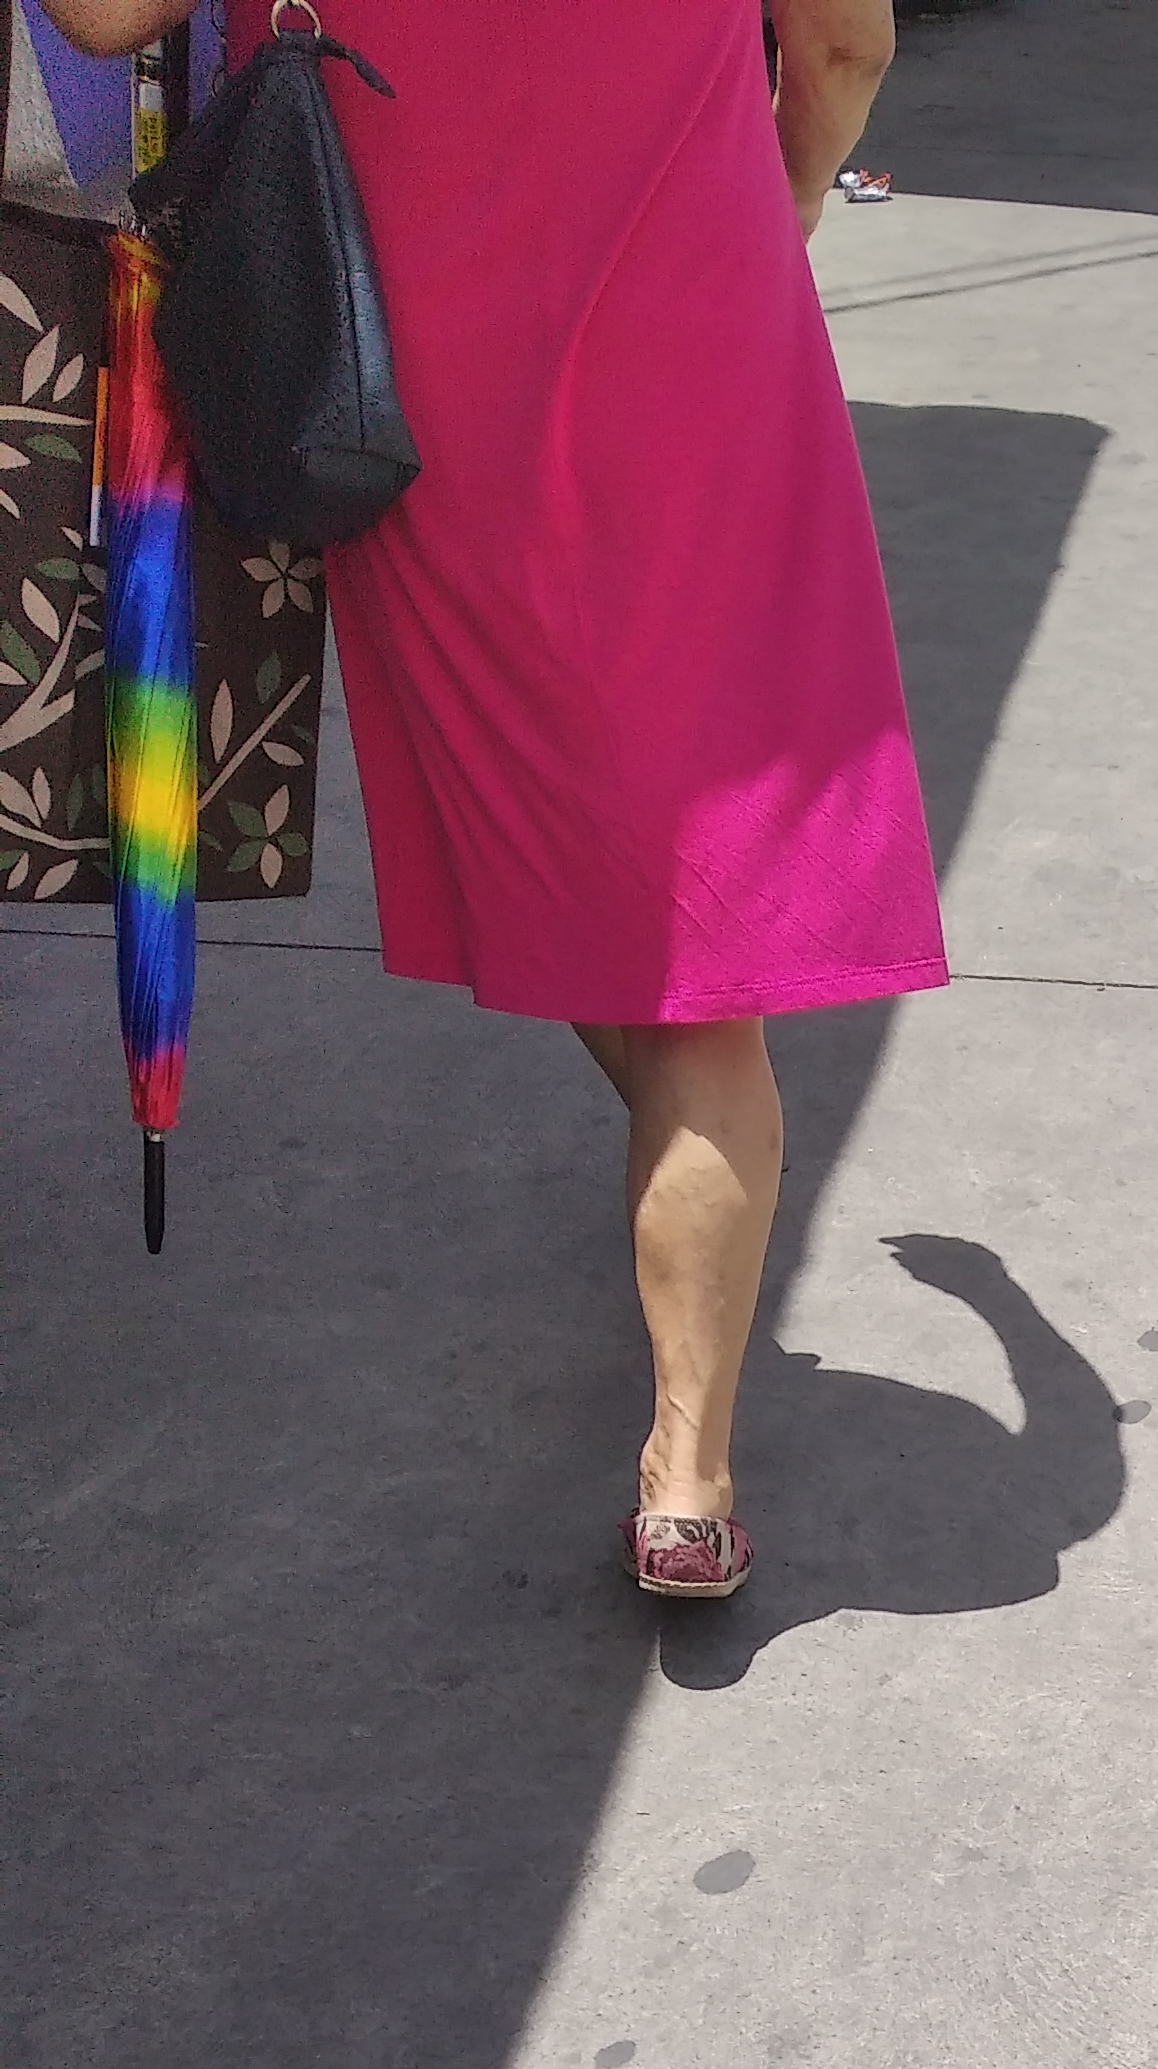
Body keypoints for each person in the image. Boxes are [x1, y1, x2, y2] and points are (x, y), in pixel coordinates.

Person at [41, 0, 946, 1600]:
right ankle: (687, 1475)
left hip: (412, 386)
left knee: (583, 875)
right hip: (697, 346)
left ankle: (687, 1249)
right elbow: (845, 47)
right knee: (688, 951)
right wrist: (794, 189)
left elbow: (101, 20)